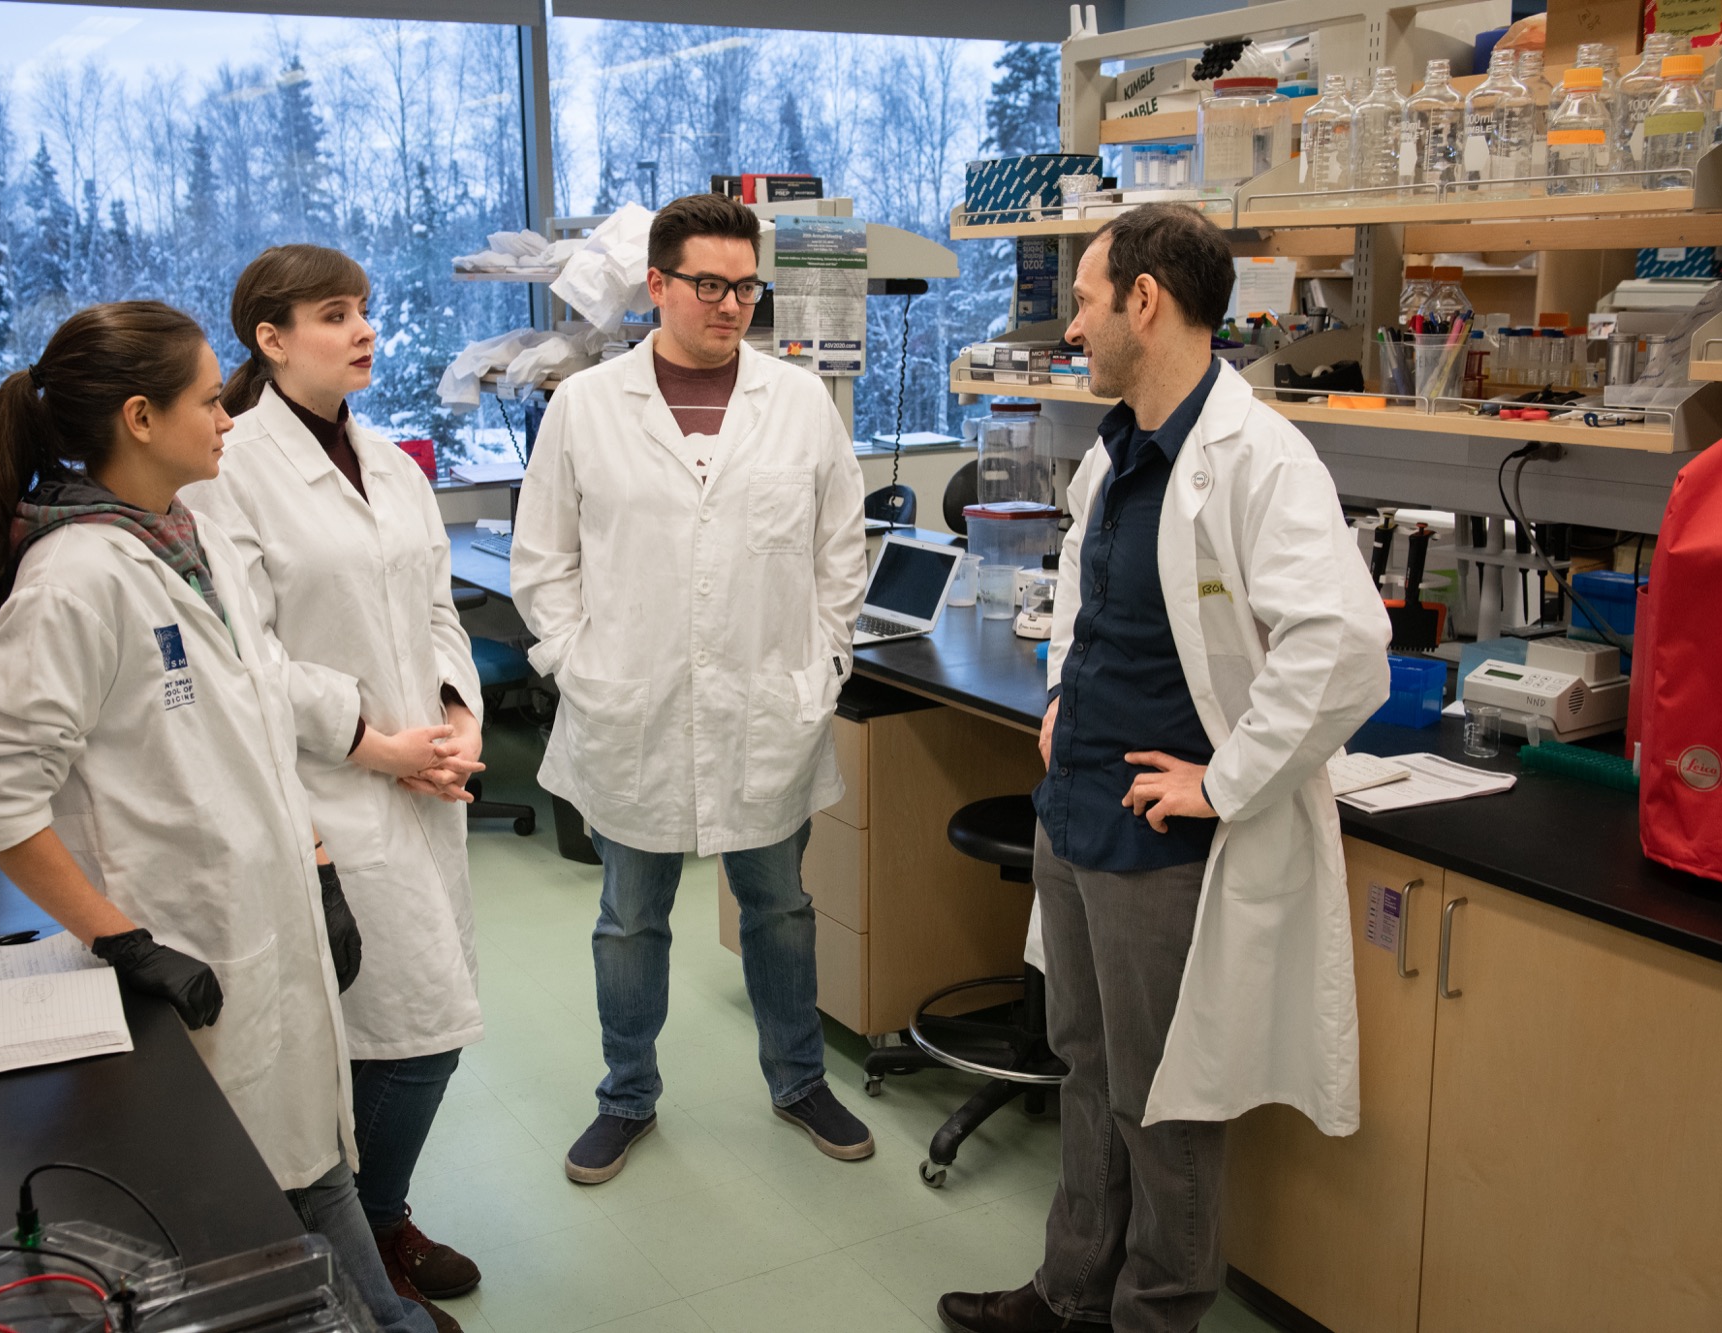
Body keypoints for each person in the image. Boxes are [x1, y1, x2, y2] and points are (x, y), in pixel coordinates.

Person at [0, 301, 436, 1333]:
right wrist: (120, 938)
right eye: (212, 400)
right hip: (193, 945)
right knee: (264, 1205)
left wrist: (317, 861)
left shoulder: (187, 537)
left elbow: (248, 720)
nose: (230, 421)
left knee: (312, 1166)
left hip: (267, 923)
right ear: (139, 418)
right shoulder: (74, 580)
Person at [937, 205, 1391, 1333]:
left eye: (1086, 303)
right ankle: (1067, 1287)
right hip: (1077, 803)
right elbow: (1085, 602)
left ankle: (1155, 1312)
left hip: (1164, 834)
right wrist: (1055, 698)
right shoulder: (1120, 446)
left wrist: (1220, 781)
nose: (1074, 328)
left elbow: (1343, 647)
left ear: (1146, 301)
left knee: (1166, 1094)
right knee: (1086, 1061)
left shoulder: (1257, 458)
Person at [510, 192, 872, 1184]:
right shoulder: (586, 407)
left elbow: (841, 546)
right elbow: (541, 563)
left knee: (779, 906)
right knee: (630, 916)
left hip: (768, 706)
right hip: (633, 707)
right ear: (656, 286)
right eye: (709, 285)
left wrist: (824, 660)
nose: (731, 305)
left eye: (746, 286)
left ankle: (798, 1079)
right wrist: (578, 664)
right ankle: (625, 1096)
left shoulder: (796, 403)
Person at [182, 244, 485, 1333]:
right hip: (325, 791)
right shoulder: (227, 469)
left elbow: (438, 608)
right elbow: (241, 650)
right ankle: (353, 1236)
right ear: (269, 338)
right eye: (331, 314)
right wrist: (374, 741)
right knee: (402, 1035)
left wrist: (453, 718)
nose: (362, 330)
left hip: (422, 780)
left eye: (364, 309)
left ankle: (378, 1220)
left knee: (416, 1020)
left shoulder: (390, 459)